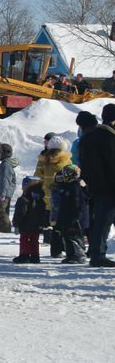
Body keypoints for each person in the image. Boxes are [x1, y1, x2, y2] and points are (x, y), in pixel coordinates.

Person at [77, 103, 115, 267]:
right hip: (110, 187)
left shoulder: (89, 137)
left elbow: (84, 163)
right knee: (103, 221)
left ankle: (96, 252)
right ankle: (98, 254)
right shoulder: (108, 138)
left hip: (97, 187)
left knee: (100, 221)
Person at [35, 134, 72, 258]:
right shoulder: (66, 160)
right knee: (62, 223)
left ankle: (54, 248)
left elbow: (37, 177)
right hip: (62, 196)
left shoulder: (43, 160)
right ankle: (64, 248)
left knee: (50, 223)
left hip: (46, 196)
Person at [50, 165, 89, 264]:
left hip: (74, 217)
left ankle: (78, 256)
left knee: (74, 237)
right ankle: (70, 255)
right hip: (67, 215)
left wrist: (76, 217)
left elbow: (78, 203)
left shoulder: (75, 186)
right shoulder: (68, 186)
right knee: (67, 236)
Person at [12, 176, 45, 264]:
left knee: (24, 239)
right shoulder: (40, 200)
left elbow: (20, 213)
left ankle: (24, 255)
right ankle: (35, 256)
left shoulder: (23, 199)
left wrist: (16, 223)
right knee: (34, 240)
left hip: (25, 224)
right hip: (36, 225)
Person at [0, 143, 18, 233]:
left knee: (0, 210)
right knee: (2, 209)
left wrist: (3, 193)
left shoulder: (5, 166)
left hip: (3, 193)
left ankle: (5, 226)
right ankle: (3, 225)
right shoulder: (5, 164)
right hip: (3, 192)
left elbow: (5, 180)